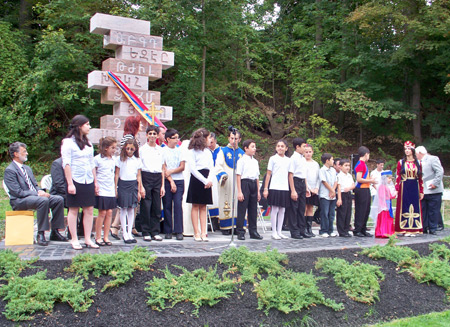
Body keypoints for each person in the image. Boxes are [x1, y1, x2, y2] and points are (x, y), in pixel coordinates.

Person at [4, 142, 67, 246]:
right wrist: (37, 194)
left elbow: (34, 185)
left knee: (58, 199)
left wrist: (40, 191)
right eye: (24, 151)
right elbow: (17, 192)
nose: (27, 153)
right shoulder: (10, 170)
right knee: (43, 200)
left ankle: (55, 231)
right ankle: (41, 233)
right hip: (19, 200)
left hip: (33, 196)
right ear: (16, 154)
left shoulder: (27, 168)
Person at [61, 115, 98, 250]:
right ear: (79, 126)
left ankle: (88, 238)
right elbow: (66, 163)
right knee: (74, 208)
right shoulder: (68, 143)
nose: (89, 127)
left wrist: (95, 182)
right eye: (87, 124)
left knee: (88, 209)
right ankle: (74, 238)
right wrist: (70, 183)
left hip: (88, 178)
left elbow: (91, 163)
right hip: (75, 179)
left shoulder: (88, 144)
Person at [111, 115, 143, 239]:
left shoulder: (131, 138)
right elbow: (119, 168)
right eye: (139, 124)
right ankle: (117, 228)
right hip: (125, 179)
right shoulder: (129, 137)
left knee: (131, 206)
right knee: (124, 206)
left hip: (133, 178)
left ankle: (130, 229)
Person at [186, 128, 214, 241]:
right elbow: (193, 169)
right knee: (195, 205)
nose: (210, 140)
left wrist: (209, 180)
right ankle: (196, 232)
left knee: (203, 206)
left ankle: (203, 232)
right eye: (209, 138)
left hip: (207, 178)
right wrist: (204, 180)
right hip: (197, 179)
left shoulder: (208, 152)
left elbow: (212, 166)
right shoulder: (192, 152)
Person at [216, 130, 244, 235]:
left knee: (238, 203)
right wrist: (222, 175)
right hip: (227, 181)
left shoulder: (242, 153)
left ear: (239, 140)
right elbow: (218, 166)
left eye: (236, 139)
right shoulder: (222, 151)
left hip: (238, 183)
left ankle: (239, 225)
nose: (233, 141)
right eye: (232, 138)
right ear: (228, 138)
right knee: (226, 202)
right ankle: (226, 226)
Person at [140, 125, 165, 242]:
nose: (152, 136)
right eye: (150, 134)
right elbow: (139, 169)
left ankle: (155, 231)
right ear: (146, 135)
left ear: (157, 135)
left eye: (154, 134)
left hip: (157, 177)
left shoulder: (160, 150)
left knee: (156, 205)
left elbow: (162, 168)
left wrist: (163, 185)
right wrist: (141, 186)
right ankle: (145, 231)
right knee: (146, 205)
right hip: (146, 176)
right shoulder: (142, 149)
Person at [115, 138, 142, 243]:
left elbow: (139, 176)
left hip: (133, 184)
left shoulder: (137, 160)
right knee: (123, 208)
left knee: (132, 208)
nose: (130, 151)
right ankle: (124, 232)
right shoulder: (120, 159)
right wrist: (115, 187)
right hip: (123, 184)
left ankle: (130, 231)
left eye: (132, 149)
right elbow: (117, 174)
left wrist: (139, 189)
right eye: (128, 149)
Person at [394, 141, 424, 236]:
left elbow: (420, 178)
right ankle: (405, 228)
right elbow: (398, 177)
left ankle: (413, 229)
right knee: (405, 206)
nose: (407, 151)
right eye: (405, 149)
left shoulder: (418, 163)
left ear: (412, 150)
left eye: (409, 149)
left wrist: (421, 191)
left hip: (414, 186)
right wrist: (397, 189)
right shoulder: (401, 162)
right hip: (404, 186)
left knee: (414, 206)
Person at [263, 140, 291, 240]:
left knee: (282, 210)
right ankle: (274, 231)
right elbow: (268, 174)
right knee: (274, 209)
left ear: (286, 148)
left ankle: (279, 231)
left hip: (285, 187)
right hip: (274, 187)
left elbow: (290, 175)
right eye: (278, 146)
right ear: (276, 148)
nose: (280, 148)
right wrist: (266, 188)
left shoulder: (288, 160)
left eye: (282, 146)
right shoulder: (272, 159)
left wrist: (292, 189)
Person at [236, 139, 262, 240]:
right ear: (246, 148)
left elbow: (256, 177)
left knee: (253, 209)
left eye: (255, 147)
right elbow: (238, 176)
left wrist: (258, 191)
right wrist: (239, 191)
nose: (254, 149)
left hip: (253, 184)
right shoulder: (241, 160)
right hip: (245, 183)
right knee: (242, 208)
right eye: (252, 147)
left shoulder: (255, 162)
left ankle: (253, 231)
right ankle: (240, 231)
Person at [162, 128, 186, 240]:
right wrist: (171, 181)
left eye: (177, 137)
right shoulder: (163, 151)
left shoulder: (180, 151)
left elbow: (182, 167)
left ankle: (179, 230)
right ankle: (168, 230)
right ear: (168, 139)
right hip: (167, 180)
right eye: (174, 138)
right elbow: (164, 168)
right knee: (167, 205)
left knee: (177, 204)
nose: (177, 140)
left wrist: (171, 171)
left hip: (179, 180)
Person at [94, 137, 117, 246]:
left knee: (109, 212)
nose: (114, 150)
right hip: (101, 188)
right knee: (102, 212)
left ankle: (106, 236)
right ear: (106, 148)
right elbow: (94, 173)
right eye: (112, 147)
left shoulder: (114, 159)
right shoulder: (98, 159)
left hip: (110, 189)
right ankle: (98, 236)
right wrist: (95, 185)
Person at [416, 146, 444, 234]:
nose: (415, 155)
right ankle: (423, 228)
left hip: (433, 190)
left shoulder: (433, 159)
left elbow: (439, 171)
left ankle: (433, 228)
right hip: (422, 190)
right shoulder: (416, 162)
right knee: (423, 210)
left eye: (416, 154)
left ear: (420, 153)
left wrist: (435, 183)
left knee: (433, 210)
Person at [288, 138, 311, 239]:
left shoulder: (302, 158)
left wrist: (306, 187)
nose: (305, 148)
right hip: (295, 182)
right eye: (303, 146)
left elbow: (304, 174)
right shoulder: (293, 158)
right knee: (294, 208)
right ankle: (294, 231)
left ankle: (302, 229)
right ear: (297, 147)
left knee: (302, 208)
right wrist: (293, 190)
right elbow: (290, 174)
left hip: (302, 182)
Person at [353, 146, 375, 237]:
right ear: (366, 154)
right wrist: (371, 181)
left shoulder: (363, 164)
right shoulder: (360, 164)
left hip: (366, 188)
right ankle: (357, 229)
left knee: (366, 209)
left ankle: (363, 228)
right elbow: (359, 179)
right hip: (361, 189)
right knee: (361, 210)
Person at [318, 153, 337, 237]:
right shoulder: (322, 170)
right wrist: (331, 190)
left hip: (332, 195)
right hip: (324, 194)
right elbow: (324, 181)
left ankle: (330, 230)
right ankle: (323, 230)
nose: (333, 161)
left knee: (331, 213)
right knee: (324, 213)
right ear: (327, 160)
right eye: (332, 159)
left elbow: (336, 181)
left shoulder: (333, 170)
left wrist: (333, 191)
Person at [374, 170, 397, 238]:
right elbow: (383, 196)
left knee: (387, 218)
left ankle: (387, 231)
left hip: (387, 204)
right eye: (389, 178)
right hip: (384, 206)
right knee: (385, 219)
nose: (390, 180)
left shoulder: (385, 187)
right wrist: (394, 194)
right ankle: (384, 232)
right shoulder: (382, 187)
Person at [336, 159, 355, 237]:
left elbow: (353, 185)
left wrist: (350, 188)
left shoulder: (349, 175)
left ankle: (347, 229)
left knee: (348, 212)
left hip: (348, 194)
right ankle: (341, 231)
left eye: (348, 166)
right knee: (342, 213)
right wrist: (339, 199)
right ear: (340, 166)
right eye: (345, 165)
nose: (347, 167)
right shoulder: (339, 176)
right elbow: (339, 187)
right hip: (342, 194)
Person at [304, 144, 320, 237]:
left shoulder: (315, 164)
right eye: (306, 152)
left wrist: (316, 188)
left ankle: (309, 229)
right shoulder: (303, 163)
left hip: (314, 189)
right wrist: (309, 188)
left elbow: (318, 177)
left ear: (312, 152)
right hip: (306, 189)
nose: (308, 154)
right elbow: (304, 176)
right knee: (305, 208)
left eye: (310, 152)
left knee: (311, 208)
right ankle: (304, 228)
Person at [207, 132, 220, 230]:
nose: (210, 144)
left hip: (218, 178)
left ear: (215, 141)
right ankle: (209, 220)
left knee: (217, 199)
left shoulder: (221, 150)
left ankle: (217, 221)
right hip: (208, 177)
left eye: (212, 142)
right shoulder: (205, 151)